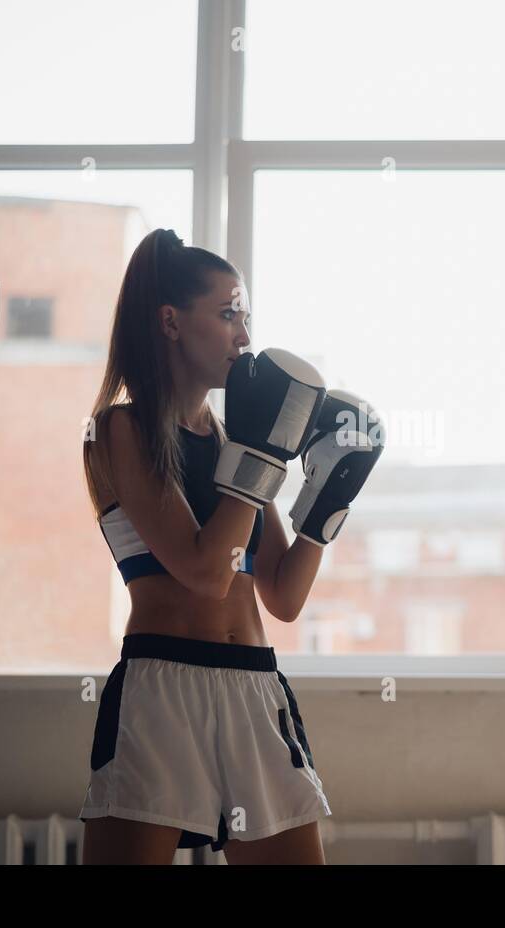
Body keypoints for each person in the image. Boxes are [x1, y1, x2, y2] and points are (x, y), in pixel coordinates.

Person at [77, 228, 381, 864]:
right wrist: (263, 455)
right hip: (163, 691)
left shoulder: (228, 442)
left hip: (253, 689)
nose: (244, 336)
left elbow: (284, 595)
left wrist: (328, 500)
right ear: (171, 322)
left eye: (246, 317)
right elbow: (203, 570)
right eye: (227, 314)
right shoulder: (120, 429)